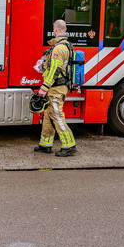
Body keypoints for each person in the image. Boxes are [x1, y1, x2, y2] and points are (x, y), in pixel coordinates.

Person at [34, 19, 78, 157]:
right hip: (56, 87)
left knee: (57, 115)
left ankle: (69, 145)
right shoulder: (64, 46)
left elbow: (55, 70)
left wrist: (44, 87)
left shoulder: (59, 48)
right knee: (48, 114)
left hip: (56, 88)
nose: (53, 32)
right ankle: (45, 144)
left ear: (57, 30)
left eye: (54, 29)